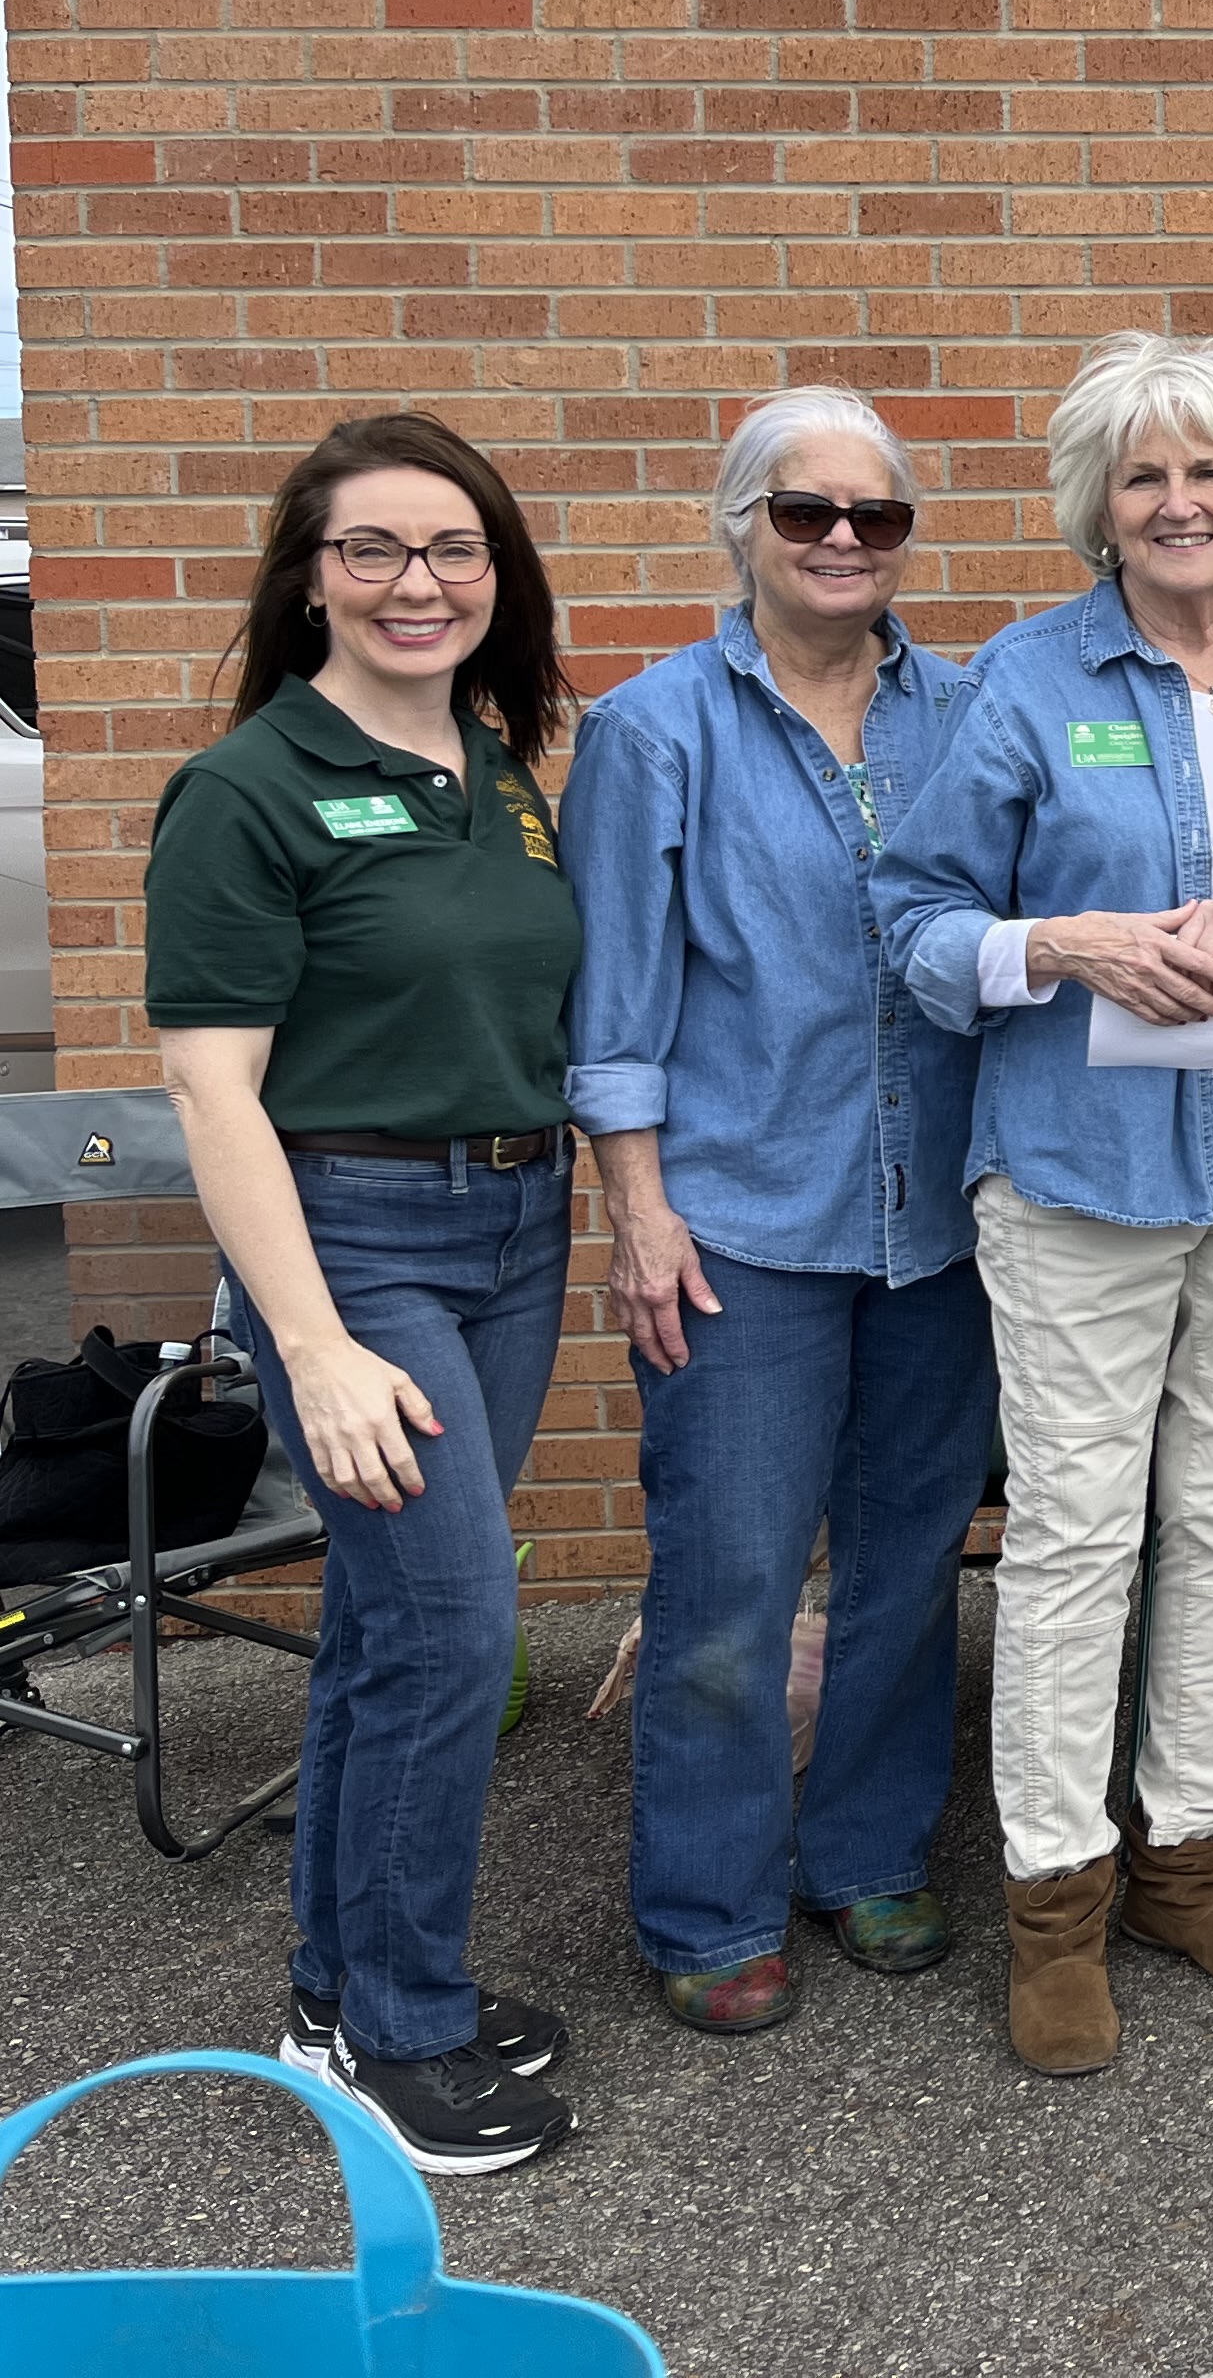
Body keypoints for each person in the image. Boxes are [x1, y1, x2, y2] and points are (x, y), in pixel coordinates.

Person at [874, 332, 1213, 2077]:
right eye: (1143, 476)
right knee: (1077, 1532)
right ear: (1096, 510)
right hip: (1079, 1179)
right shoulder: (1019, 687)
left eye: (1211, 471)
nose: (1180, 504)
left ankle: (1190, 1855)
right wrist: (1064, 941)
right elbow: (914, 925)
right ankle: (1058, 1893)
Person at [148, 415, 585, 2173]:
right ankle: (403, 2041)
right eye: (375, 551)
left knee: (395, 1632)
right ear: (308, 574)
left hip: (514, 1227)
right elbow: (210, 1091)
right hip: (357, 1243)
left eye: (455, 550)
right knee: (459, 1633)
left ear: (498, 575)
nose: (420, 583)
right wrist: (311, 1340)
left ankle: (339, 1996)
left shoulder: (500, 770)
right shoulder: (247, 789)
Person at [557, 389, 992, 2035]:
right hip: (738, 1220)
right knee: (731, 1583)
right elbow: (614, 1006)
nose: (839, 543)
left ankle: (866, 1850)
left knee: (904, 1562)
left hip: (937, 1218)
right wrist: (638, 1211)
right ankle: (708, 1901)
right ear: (738, 521)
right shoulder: (657, 728)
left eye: (874, 519)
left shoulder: (965, 710)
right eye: (804, 512)